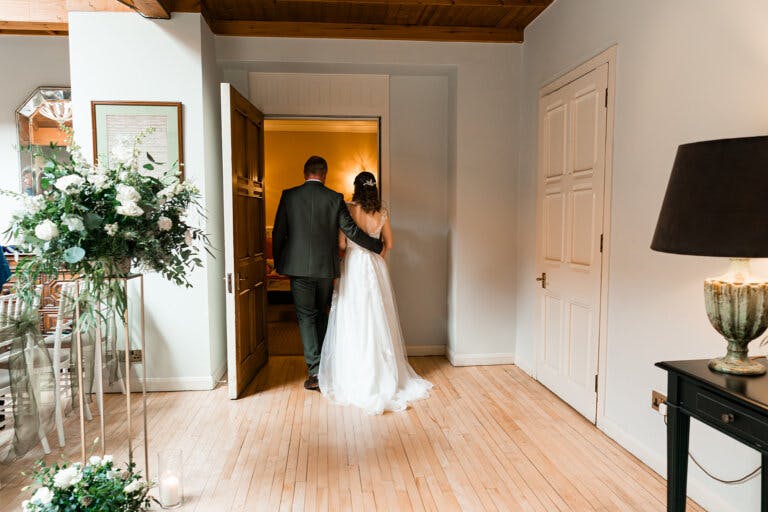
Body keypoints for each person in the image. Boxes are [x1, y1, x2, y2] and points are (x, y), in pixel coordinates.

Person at [318, 172, 433, 415]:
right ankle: (383, 373)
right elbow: (389, 244)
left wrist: (351, 251)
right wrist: (375, 256)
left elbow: (341, 244)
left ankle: (355, 373)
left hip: (354, 267)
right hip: (375, 267)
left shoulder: (348, 210)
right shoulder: (382, 212)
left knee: (354, 317)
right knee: (378, 317)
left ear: (356, 188)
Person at [272, 156, 384, 391]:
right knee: (322, 313)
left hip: (298, 268)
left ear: (305, 173)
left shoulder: (289, 195)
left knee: (305, 316)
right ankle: (327, 367)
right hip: (325, 268)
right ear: (325, 174)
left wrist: (281, 265)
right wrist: (376, 246)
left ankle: (315, 371)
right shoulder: (335, 198)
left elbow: (279, 231)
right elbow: (351, 230)